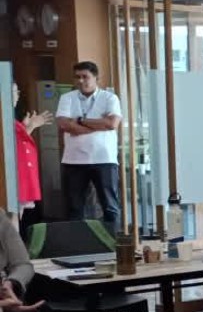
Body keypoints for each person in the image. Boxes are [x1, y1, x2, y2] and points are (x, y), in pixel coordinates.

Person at [55, 61, 122, 235]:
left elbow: (111, 124)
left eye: (85, 77)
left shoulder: (109, 98)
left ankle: (113, 243)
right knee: (75, 207)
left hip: (104, 159)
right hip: (74, 160)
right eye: (77, 77)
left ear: (96, 78)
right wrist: (98, 124)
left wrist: (79, 121)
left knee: (110, 205)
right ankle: (78, 244)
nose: (81, 81)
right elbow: (64, 124)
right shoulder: (67, 98)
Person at [12, 83, 50, 228]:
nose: (17, 95)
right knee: (11, 218)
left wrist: (26, 126)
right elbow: (10, 145)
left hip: (21, 176)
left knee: (16, 217)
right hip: (13, 177)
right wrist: (31, 126)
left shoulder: (11, 117)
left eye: (17, 91)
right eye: (14, 91)